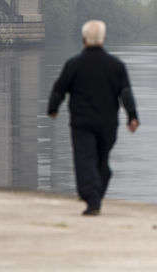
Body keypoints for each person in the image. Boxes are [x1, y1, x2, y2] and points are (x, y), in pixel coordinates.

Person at [47, 19, 139, 216]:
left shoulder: (74, 65)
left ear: (83, 40)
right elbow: (125, 93)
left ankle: (92, 198)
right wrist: (132, 116)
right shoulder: (116, 66)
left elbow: (59, 88)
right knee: (100, 159)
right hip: (108, 124)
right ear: (103, 39)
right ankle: (97, 189)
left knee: (85, 159)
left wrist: (53, 107)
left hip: (82, 123)